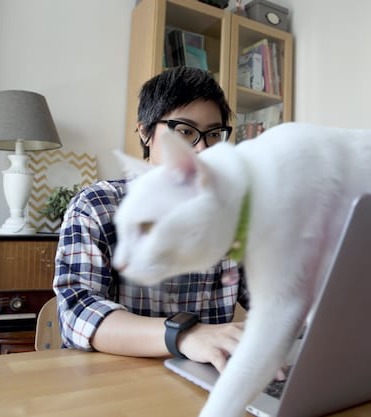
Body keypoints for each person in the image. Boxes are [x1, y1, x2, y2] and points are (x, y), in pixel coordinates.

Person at [54, 67, 249, 374]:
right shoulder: (97, 205)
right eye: (185, 131)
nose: (202, 149)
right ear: (145, 132)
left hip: (205, 378)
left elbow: (274, 298)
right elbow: (78, 312)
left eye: (213, 134)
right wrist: (183, 334)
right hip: (116, 381)